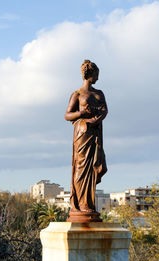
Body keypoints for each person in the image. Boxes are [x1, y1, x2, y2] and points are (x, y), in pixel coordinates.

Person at [64, 60, 108, 218]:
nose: (98, 77)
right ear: (90, 74)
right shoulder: (77, 94)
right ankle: (81, 205)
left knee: (94, 168)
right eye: (97, 74)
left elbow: (104, 111)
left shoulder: (99, 93)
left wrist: (95, 118)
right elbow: (67, 115)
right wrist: (82, 114)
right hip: (82, 135)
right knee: (82, 169)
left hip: (94, 135)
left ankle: (89, 205)